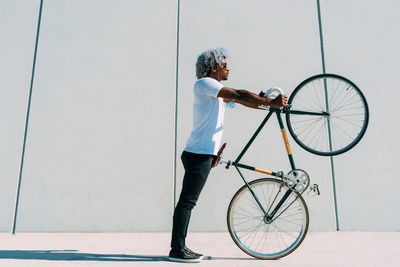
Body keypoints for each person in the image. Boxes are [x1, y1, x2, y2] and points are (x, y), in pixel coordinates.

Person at [168, 48, 287, 263]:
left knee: (188, 201)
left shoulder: (215, 91)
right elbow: (239, 94)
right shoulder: (205, 84)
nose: (228, 68)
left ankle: (179, 247)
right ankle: (177, 249)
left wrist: (269, 105)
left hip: (202, 153)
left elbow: (243, 100)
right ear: (213, 68)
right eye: (224, 65)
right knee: (187, 202)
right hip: (198, 154)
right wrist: (270, 102)